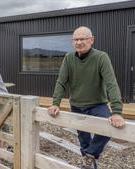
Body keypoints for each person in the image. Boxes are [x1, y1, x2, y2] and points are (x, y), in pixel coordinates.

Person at [47, 26, 125, 169]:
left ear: (91, 40)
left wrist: (117, 112)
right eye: (76, 39)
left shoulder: (101, 57)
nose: (79, 42)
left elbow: (111, 84)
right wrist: (55, 103)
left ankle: (90, 155)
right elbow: (61, 82)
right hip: (77, 106)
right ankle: (89, 163)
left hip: (98, 104)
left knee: (107, 130)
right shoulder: (69, 58)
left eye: (82, 39)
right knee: (83, 140)